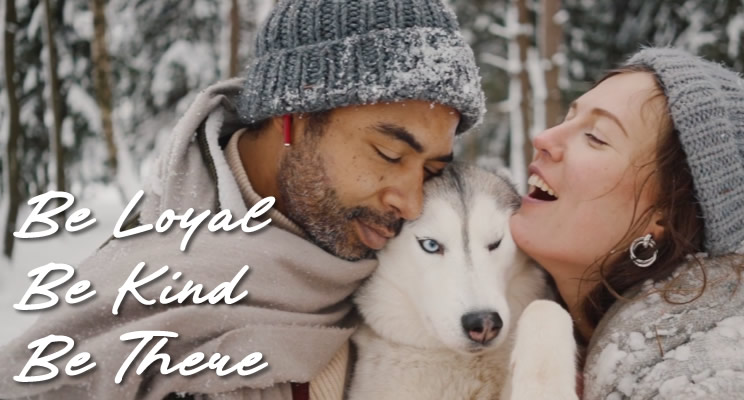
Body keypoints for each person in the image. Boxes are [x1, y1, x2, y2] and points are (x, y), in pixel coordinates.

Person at [0, 1, 484, 400]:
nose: (412, 203)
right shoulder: (138, 294)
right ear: (292, 116)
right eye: (388, 153)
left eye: (433, 170)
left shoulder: (418, 260)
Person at [510, 47, 744, 399]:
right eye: (567, 117)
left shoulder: (713, 383)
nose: (543, 139)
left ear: (664, 213)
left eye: (596, 137)